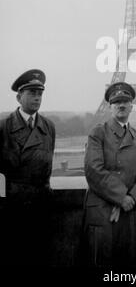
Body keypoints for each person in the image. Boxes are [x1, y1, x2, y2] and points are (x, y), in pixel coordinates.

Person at [82, 82, 136, 267]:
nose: (121, 105)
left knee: (125, 263)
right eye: (117, 101)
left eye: (125, 101)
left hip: (127, 209)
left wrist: (132, 199)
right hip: (103, 209)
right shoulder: (98, 133)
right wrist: (121, 197)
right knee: (102, 262)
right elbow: (93, 169)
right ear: (110, 106)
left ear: (131, 106)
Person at [0, 69, 56, 266]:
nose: (37, 98)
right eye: (32, 93)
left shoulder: (49, 127)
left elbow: (47, 167)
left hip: (42, 206)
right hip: (13, 208)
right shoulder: (3, 127)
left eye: (40, 93)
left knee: (41, 257)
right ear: (18, 96)